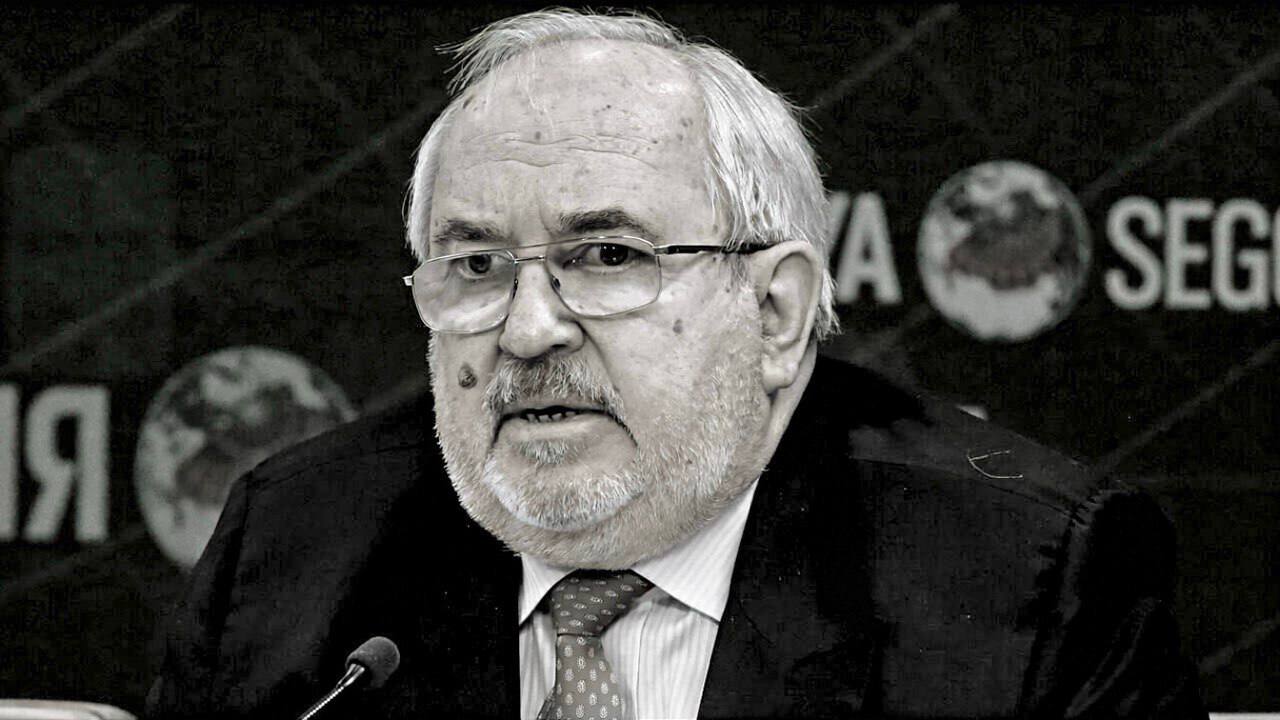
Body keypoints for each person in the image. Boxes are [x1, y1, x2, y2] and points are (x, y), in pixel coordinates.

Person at [147, 9, 1205, 719]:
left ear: (776, 311)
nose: (527, 330)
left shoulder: (1027, 585)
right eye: (475, 265)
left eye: (607, 256)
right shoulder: (294, 551)